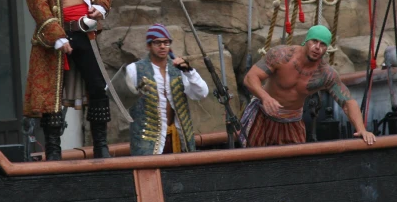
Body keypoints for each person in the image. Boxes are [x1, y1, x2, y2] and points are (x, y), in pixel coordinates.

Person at [23, 0, 113, 160]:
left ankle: (101, 147)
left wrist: (100, 7)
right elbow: (37, 3)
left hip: (85, 32)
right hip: (54, 36)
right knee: (53, 94)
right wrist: (57, 36)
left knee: (98, 86)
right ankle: (53, 151)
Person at [240, 25, 376, 146]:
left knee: (295, 166)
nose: (317, 47)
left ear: (326, 49)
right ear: (306, 41)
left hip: (291, 121)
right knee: (253, 160)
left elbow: (347, 102)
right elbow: (250, 77)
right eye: (314, 41)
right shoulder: (281, 55)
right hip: (263, 115)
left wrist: (362, 130)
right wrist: (265, 97)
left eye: (323, 44)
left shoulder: (326, 74)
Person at [123, 24, 209, 156]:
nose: (162, 46)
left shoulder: (179, 69)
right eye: (157, 43)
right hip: (146, 140)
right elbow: (116, 97)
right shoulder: (134, 69)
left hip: (178, 138)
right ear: (149, 45)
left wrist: (189, 71)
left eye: (166, 42)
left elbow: (202, 93)